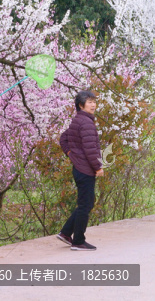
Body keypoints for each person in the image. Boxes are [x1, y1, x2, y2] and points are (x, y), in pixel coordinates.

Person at [57, 90, 104, 251]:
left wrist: (71, 154)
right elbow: (91, 149)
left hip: (80, 168)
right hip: (85, 170)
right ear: (80, 105)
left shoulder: (78, 121)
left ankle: (65, 233)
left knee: (86, 203)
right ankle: (78, 241)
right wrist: (98, 167)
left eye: (94, 101)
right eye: (89, 102)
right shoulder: (86, 123)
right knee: (86, 204)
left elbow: (64, 139)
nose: (93, 104)